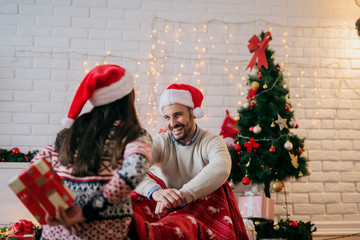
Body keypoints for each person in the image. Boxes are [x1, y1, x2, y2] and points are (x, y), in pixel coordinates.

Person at [31, 64, 152, 240]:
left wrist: (52, 207)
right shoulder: (133, 135)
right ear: (128, 98)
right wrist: (87, 210)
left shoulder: (68, 133)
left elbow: (34, 169)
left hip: (55, 233)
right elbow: (134, 170)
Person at [133, 84, 248, 239]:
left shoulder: (212, 141)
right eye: (167, 117)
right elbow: (133, 167)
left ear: (193, 113)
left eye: (178, 115)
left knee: (220, 187)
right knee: (136, 191)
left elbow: (221, 168)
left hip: (198, 208)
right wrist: (157, 192)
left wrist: (182, 196)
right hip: (164, 207)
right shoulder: (161, 141)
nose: (172, 123)